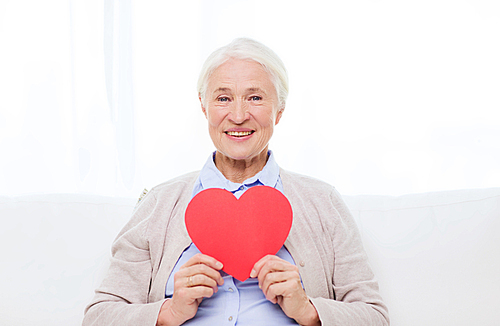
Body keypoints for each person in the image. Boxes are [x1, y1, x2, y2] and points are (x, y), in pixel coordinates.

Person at [83, 37, 389, 326]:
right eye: (223, 98)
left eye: (255, 97)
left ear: (279, 110)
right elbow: (99, 317)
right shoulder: (159, 205)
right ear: (204, 106)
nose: (239, 115)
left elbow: (375, 317)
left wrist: (308, 310)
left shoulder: (323, 202)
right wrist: (170, 311)